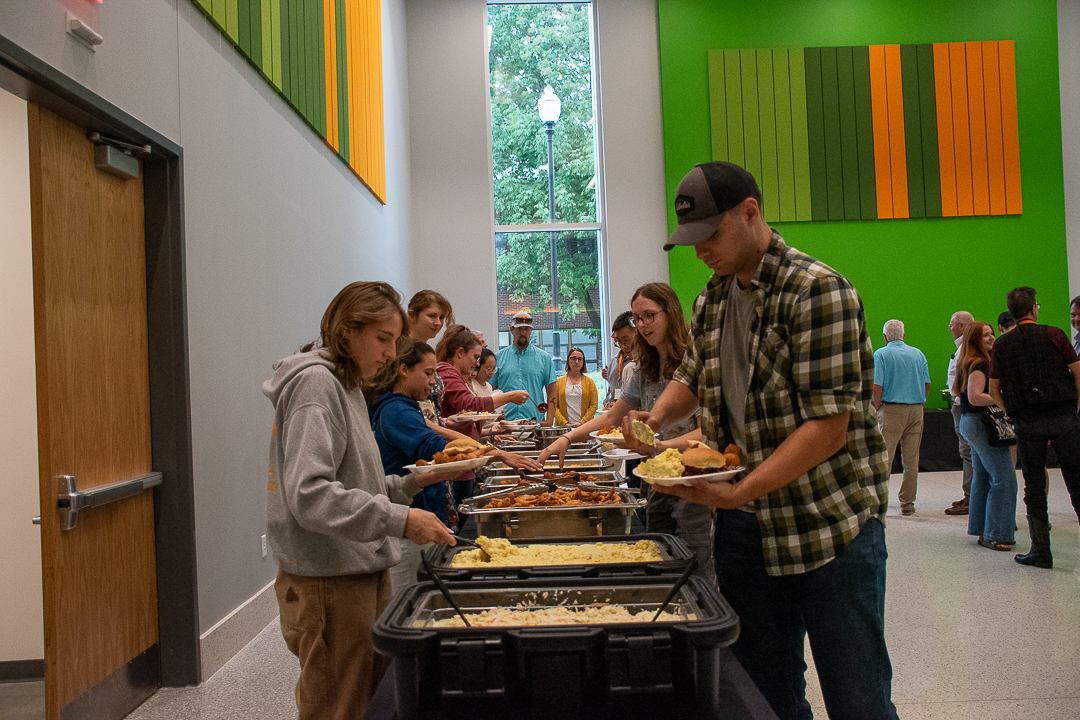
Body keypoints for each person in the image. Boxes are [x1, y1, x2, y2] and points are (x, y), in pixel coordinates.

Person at [632, 161, 896, 719]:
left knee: (857, 696)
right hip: (750, 531)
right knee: (765, 695)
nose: (700, 249)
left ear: (750, 212)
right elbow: (692, 377)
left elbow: (828, 427)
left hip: (828, 524)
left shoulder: (817, 291)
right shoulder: (713, 297)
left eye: (710, 234)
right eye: (691, 239)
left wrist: (740, 491)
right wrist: (653, 422)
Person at [263, 281, 457, 719]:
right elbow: (310, 495)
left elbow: (356, 483)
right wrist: (399, 520)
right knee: (338, 704)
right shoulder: (316, 386)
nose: (392, 353)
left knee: (366, 699)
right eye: (383, 339)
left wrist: (407, 485)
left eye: (394, 340)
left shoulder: (348, 384)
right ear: (347, 332)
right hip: (329, 578)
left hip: (358, 567)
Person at [540, 283, 716, 587]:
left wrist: (658, 444)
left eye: (650, 316)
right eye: (638, 318)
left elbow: (708, 433)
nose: (643, 325)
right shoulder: (645, 366)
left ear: (671, 313)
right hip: (658, 481)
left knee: (694, 566)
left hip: (694, 481)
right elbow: (611, 416)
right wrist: (566, 439)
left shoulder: (694, 362)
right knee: (660, 560)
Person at [989, 287, 1080, 569]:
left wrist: (1012, 412)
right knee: (1076, 481)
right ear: (1033, 309)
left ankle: (1041, 551)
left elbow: (993, 389)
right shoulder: (1055, 335)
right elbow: (1077, 372)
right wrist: (1075, 406)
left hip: (1027, 421)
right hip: (1063, 416)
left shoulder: (1003, 345)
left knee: (1034, 487)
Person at [368, 339, 456, 594]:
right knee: (410, 599)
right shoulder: (396, 411)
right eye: (428, 373)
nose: (433, 381)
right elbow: (433, 446)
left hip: (418, 513)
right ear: (404, 370)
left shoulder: (406, 407)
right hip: (409, 523)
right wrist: (479, 452)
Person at [436, 324, 542, 499]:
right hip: (457, 461)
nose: (477, 363)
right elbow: (470, 405)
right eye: (476, 357)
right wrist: (508, 397)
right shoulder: (448, 373)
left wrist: (489, 430)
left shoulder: (455, 375)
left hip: (466, 459)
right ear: (460, 352)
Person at [952, 321, 1018, 551]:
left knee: (982, 477)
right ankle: (997, 534)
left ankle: (982, 528)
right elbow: (975, 396)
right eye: (986, 336)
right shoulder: (980, 364)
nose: (991, 338)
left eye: (992, 334)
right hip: (982, 424)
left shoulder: (969, 362)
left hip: (972, 423)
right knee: (1005, 479)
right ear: (974, 341)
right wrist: (1005, 397)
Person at [872, 319, 931, 516]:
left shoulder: (880, 354)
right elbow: (927, 384)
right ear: (904, 335)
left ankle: (879, 503)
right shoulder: (918, 354)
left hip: (891, 411)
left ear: (885, 336)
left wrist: (876, 409)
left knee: (884, 458)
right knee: (911, 460)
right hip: (916, 410)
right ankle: (907, 504)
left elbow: (877, 386)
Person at [490, 312, 557, 425]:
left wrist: (549, 420)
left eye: (526, 329)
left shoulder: (543, 358)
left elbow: (552, 391)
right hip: (505, 424)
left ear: (531, 331)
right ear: (512, 329)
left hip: (535, 423)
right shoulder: (498, 358)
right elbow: (490, 391)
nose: (523, 333)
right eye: (520, 329)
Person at [407, 290, 454, 425]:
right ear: (412, 315)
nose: (438, 322)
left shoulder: (427, 351)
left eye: (441, 317)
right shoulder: (402, 352)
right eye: (431, 316)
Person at [945, 310, 976, 515]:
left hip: (965, 406)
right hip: (961, 404)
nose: (950, 327)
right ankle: (970, 496)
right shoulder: (962, 348)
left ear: (962, 326)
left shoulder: (968, 349)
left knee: (969, 452)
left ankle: (972, 497)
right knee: (968, 452)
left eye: (952, 323)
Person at [554, 347, 597, 426]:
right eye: (573, 358)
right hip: (563, 428)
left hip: (584, 428)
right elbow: (554, 406)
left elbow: (593, 406)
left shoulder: (590, 382)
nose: (576, 362)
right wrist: (564, 423)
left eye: (580, 359)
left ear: (583, 362)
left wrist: (581, 423)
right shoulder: (558, 382)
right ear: (568, 360)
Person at [602, 311, 638, 407]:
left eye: (626, 340)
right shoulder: (614, 361)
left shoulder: (643, 364)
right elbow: (612, 388)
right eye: (619, 342)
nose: (623, 346)